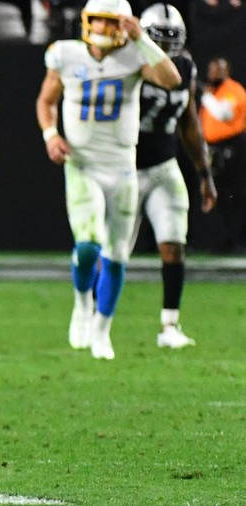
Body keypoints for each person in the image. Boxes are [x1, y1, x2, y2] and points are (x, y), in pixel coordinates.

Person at [35, 0, 181, 360]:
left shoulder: (134, 55)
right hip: (82, 163)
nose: (102, 29)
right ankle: (82, 302)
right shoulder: (65, 54)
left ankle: (102, 331)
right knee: (88, 245)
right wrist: (51, 135)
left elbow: (171, 80)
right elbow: (46, 101)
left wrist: (142, 39)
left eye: (110, 22)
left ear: (124, 24)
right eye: (97, 21)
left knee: (116, 255)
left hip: (123, 167)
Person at [133, 3, 217, 348]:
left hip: (164, 165)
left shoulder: (185, 66)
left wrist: (204, 172)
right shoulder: (130, 62)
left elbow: (189, 121)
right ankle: (93, 319)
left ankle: (169, 326)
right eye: (159, 39)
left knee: (173, 244)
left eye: (172, 39)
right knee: (113, 252)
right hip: (125, 167)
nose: (166, 47)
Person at [199, 57, 246, 252]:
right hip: (212, 148)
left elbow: (224, 114)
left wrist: (206, 97)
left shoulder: (233, 89)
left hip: (231, 148)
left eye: (218, 70)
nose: (214, 74)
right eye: (211, 70)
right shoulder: (214, 91)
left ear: (227, 71)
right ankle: (218, 240)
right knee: (216, 194)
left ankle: (234, 240)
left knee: (231, 194)